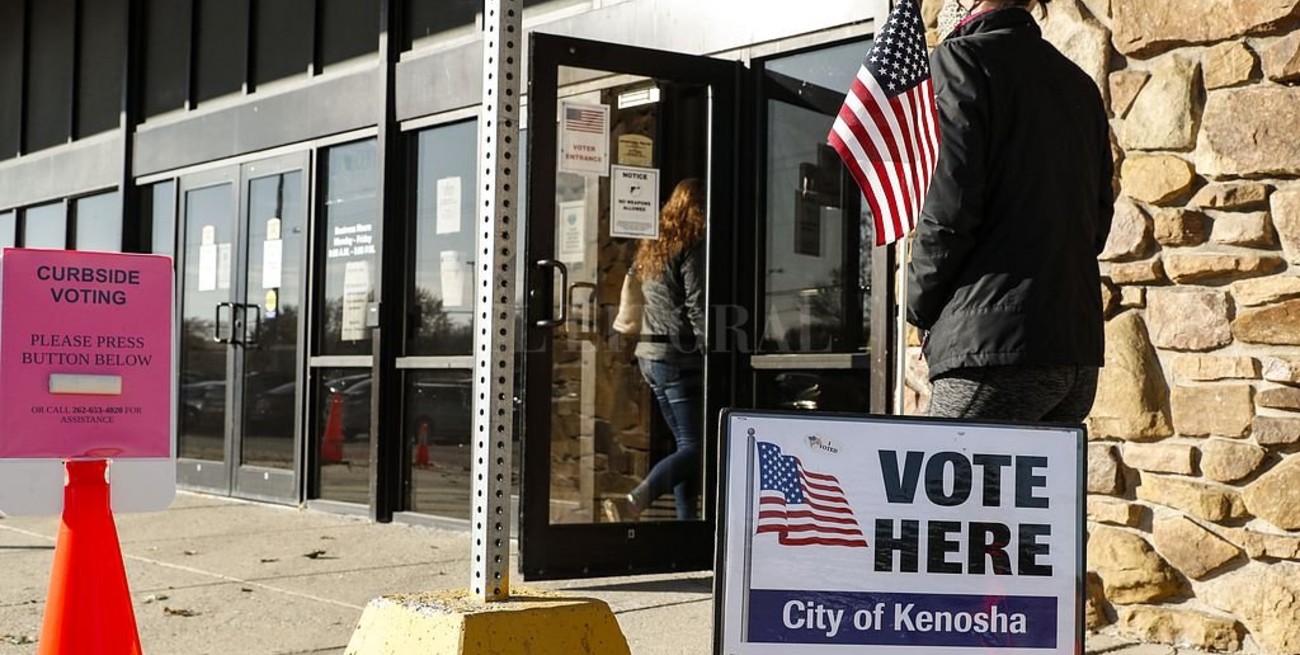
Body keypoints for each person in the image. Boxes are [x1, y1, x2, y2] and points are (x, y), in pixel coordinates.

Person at [907, 0, 1113, 422]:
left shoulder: (959, 61)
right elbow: (1098, 222)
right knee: (1031, 491)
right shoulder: (1079, 84)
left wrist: (918, 304)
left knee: (932, 485)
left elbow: (949, 209)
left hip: (991, 352)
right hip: (1073, 352)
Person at [605, 178, 706, 522]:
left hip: (649, 358)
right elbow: (697, 302)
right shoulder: (691, 245)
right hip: (677, 358)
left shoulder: (653, 246)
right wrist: (711, 347)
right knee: (696, 448)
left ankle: (686, 526)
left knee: (685, 446)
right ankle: (633, 502)